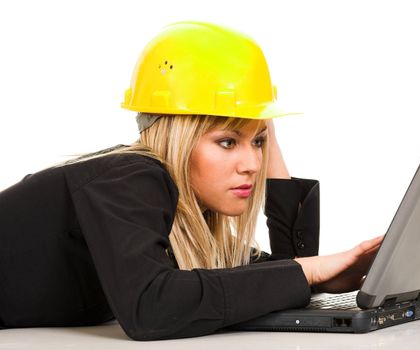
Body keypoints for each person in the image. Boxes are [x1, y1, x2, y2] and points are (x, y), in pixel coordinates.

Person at [0, 21, 383, 340]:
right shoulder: (131, 178)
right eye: (228, 141)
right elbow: (151, 308)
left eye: (259, 142)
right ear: (177, 141)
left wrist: (317, 276)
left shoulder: (181, 219)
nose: (251, 163)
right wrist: (310, 272)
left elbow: (282, 271)